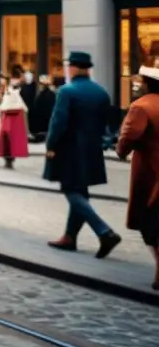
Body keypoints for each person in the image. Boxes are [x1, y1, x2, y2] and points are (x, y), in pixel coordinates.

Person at [44, 51, 122, 258]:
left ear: (76, 68)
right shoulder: (102, 92)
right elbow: (108, 124)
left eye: (69, 66)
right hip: (92, 149)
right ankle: (70, 237)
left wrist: (51, 145)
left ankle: (104, 231)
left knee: (70, 189)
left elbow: (58, 122)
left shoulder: (66, 91)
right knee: (81, 191)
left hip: (69, 149)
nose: (67, 70)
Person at [116, 66, 159, 290]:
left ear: (146, 83)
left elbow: (129, 135)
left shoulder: (141, 106)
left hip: (151, 171)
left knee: (149, 221)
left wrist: (121, 151)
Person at [0, 76, 30, 169]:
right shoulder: (10, 92)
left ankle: (9, 159)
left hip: (9, 120)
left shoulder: (10, 92)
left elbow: (5, 106)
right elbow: (23, 107)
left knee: (8, 140)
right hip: (12, 119)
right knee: (9, 140)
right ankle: (9, 159)